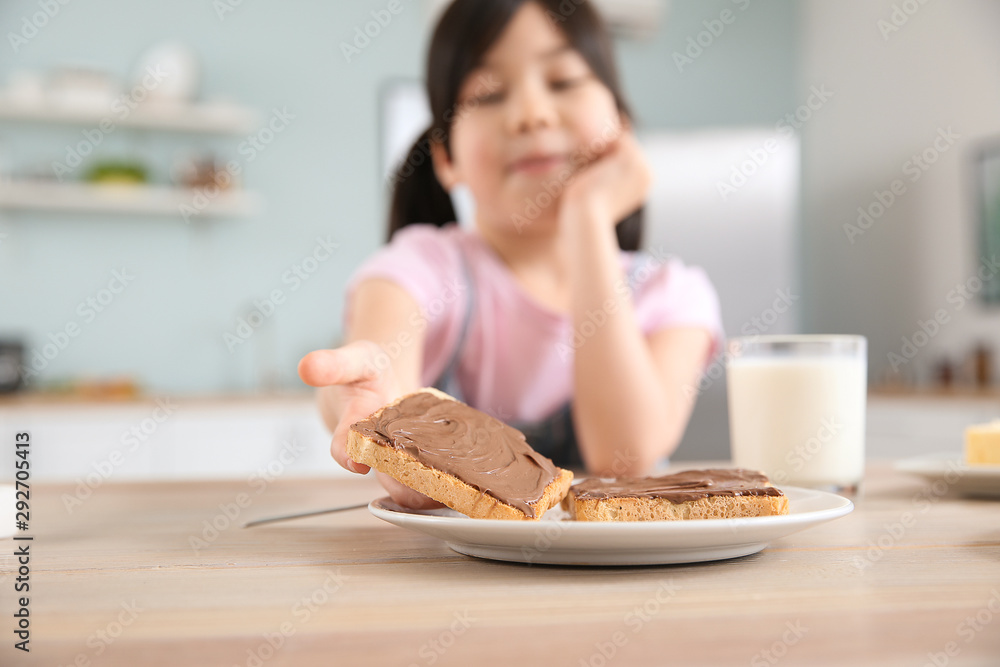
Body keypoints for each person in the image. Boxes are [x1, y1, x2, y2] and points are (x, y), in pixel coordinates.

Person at [298, 0, 723, 509]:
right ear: (446, 157)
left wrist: (587, 221)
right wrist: (370, 406)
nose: (531, 113)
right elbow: (375, 363)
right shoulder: (423, 267)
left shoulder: (672, 295)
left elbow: (621, 457)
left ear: (621, 126)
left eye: (564, 80)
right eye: (489, 93)